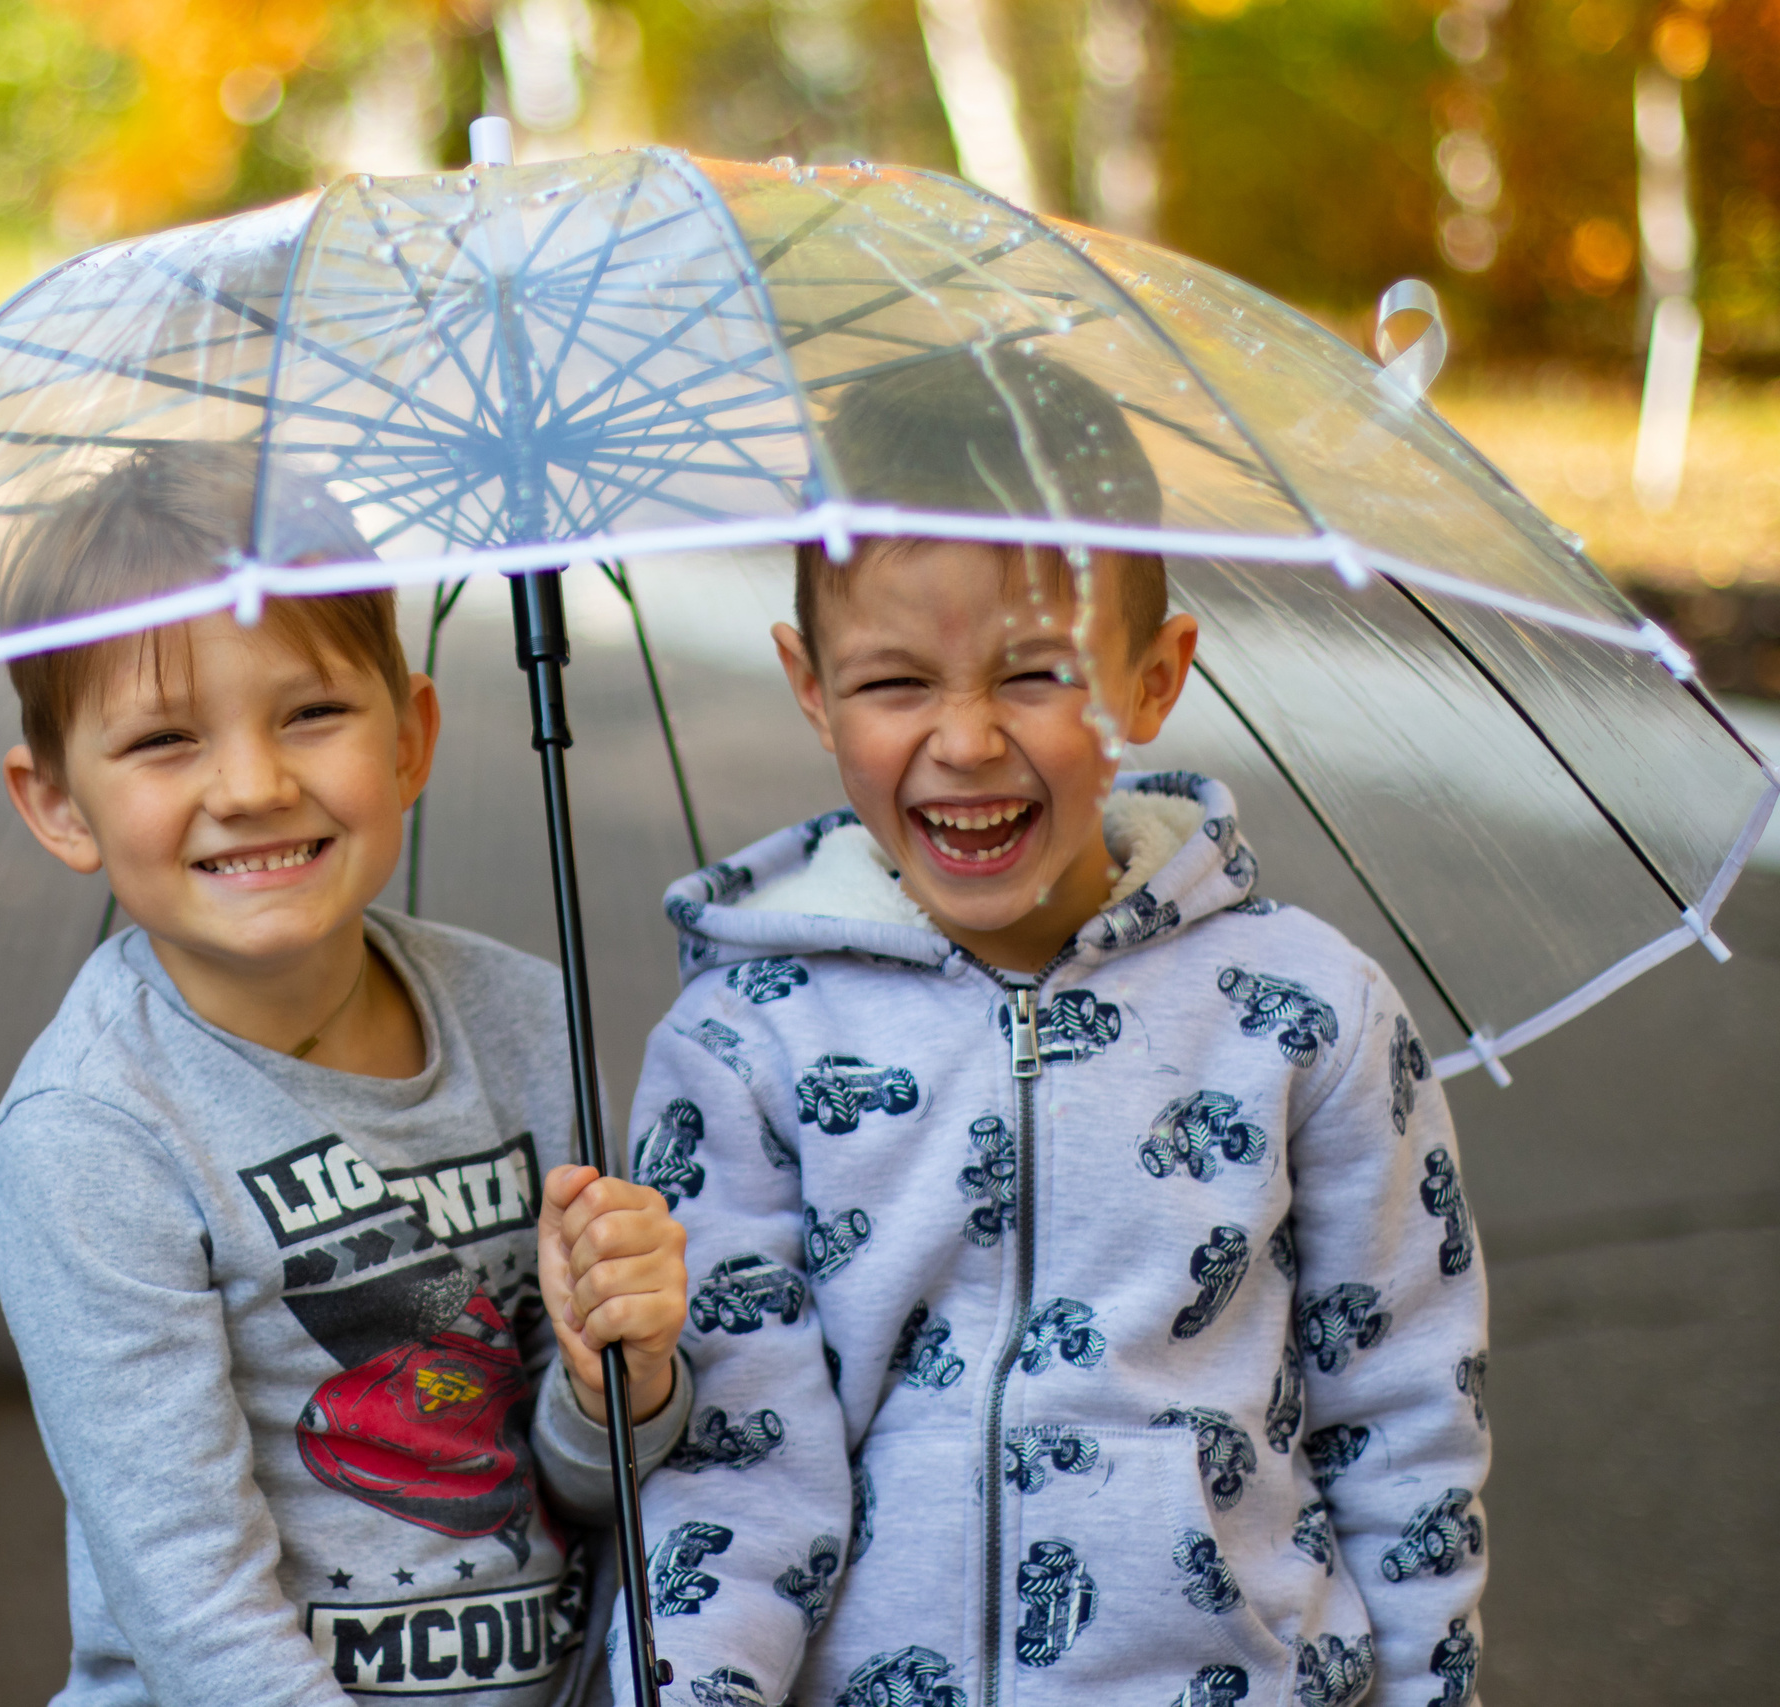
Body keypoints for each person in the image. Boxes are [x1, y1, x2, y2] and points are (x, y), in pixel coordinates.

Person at [621, 351, 1489, 1707]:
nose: (965, 739)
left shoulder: (1308, 1012)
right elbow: (734, 1456)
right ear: (809, 682)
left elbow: (1406, 1410)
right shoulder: (743, 1040)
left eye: (1034, 673)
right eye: (895, 683)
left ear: (1153, 677)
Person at [0, 441, 694, 1707]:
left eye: (310, 713)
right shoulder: (92, 1135)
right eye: (162, 740)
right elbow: (194, 1610)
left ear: (411, 735)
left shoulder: (525, 1017)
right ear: (58, 804)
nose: (252, 785)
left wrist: (614, 1382)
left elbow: (586, 1492)